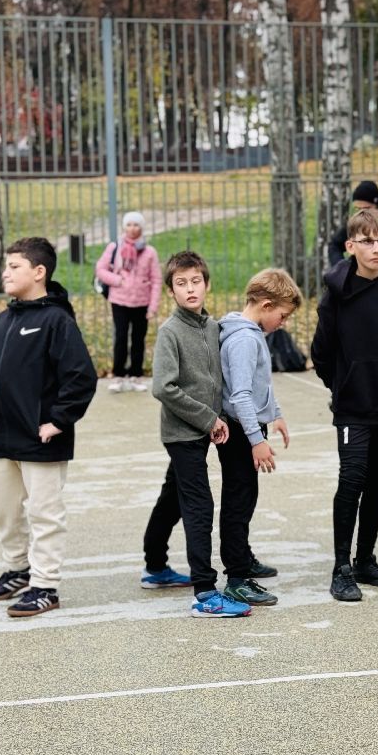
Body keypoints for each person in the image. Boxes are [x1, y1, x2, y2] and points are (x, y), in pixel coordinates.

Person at [0, 237, 98, 618]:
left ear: (39, 272)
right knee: (1, 505)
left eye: (14, 267)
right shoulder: (3, 321)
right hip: (1, 436)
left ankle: (45, 585)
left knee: (45, 512)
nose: (5, 273)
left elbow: (81, 377)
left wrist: (59, 420)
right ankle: (18, 569)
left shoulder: (57, 320)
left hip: (42, 436)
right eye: (5, 267)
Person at [311, 206, 378, 601]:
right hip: (354, 408)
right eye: (367, 241)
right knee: (351, 480)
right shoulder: (335, 297)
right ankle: (341, 568)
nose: (376, 248)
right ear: (351, 245)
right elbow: (321, 354)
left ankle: (365, 560)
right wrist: (344, 387)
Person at [139, 250, 249, 615]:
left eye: (196, 281)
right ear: (171, 290)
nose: (190, 289)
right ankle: (205, 591)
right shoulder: (170, 331)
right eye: (181, 283)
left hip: (206, 429)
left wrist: (220, 417)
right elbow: (164, 388)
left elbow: (216, 379)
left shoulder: (213, 327)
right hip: (182, 434)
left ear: (207, 284)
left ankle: (155, 566)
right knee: (199, 504)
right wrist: (208, 418)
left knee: (173, 497)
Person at [215, 267, 303, 608]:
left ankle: (244, 557)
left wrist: (276, 414)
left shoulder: (251, 332)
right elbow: (240, 395)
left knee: (246, 496)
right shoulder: (244, 339)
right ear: (266, 305)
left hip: (248, 427)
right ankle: (237, 578)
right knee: (238, 501)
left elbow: (261, 383)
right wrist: (256, 439)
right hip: (239, 432)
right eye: (282, 315)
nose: (283, 322)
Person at [95, 211, 162, 392]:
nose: (132, 229)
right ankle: (118, 375)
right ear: (124, 227)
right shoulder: (114, 248)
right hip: (119, 301)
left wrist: (153, 306)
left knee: (138, 340)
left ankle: (136, 375)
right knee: (121, 338)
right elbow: (100, 269)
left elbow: (156, 280)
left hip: (142, 302)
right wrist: (117, 281)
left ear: (142, 228)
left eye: (136, 225)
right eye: (129, 225)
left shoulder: (149, 252)